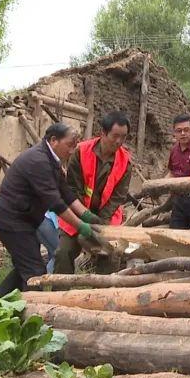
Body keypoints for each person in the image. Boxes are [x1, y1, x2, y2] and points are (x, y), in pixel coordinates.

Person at [0, 123, 103, 297]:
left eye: (75, 146)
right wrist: (81, 226)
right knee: (34, 270)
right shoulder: (38, 161)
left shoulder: (51, 160)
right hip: (11, 220)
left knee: (24, 267)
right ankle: (32, 314)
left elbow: (66, 193)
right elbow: (55, 203)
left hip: (22, 221)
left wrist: (87, 215)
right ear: (54, 140)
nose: (72, 151)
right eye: (69, 145)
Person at [53, 112, 133, 275]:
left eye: (123, 137)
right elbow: (73, 189)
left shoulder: (126, 162)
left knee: (111, 254)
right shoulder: (81, 151)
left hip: (107, 216)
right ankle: (60, 294)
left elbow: (118, 196)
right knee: (63, 252)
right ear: (103, 133)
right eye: (115, 136)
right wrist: (85, 218)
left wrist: (101, 222)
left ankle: (103, 295)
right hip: (77, 212)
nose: (119, 141)